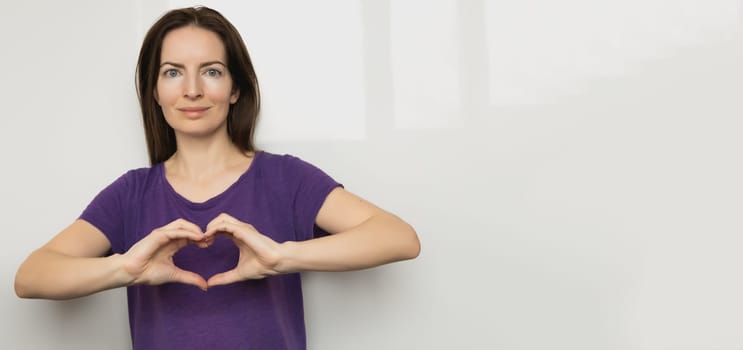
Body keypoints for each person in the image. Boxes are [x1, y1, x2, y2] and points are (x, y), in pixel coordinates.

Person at [14, 6, 420, 350]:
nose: (192, 90)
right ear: (154, 92)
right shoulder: (131, 194)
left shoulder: (285, 178)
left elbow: (399, 238)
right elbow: (32, 276)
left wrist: (283, 257)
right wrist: (125, 270)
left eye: (211, 71)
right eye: (172, 73)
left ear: (235, 88)